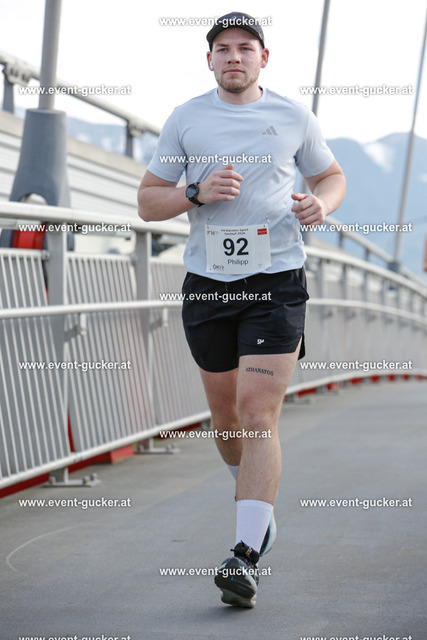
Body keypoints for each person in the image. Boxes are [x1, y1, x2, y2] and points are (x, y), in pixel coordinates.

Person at [138, 11, 346, 608]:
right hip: (209, 283)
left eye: (246, 47)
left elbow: (331, 176)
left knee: (258, 414)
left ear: (263, 58)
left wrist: (322, 205)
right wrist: (194, 192)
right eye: (223, 48)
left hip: (275, 281)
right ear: (209, 60)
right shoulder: (186, 118)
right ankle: (256, 506)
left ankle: (245, 554)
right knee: (227, 418)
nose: (234, 56)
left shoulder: (294, 116)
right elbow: (149, 202)